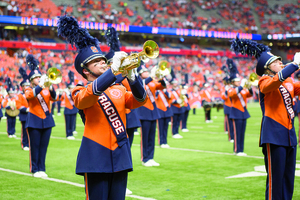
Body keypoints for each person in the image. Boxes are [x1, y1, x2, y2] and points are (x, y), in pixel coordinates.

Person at [58, 16, 147, 200]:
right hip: (95, 154)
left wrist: (132, 76)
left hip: (120, 151)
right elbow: (89, 96)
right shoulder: (79, 90)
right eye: (95, 61)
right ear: (85, 70)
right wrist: (113, 72)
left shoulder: (119, 88)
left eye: (102, 59)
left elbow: (141, 100)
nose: (102, 62)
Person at [231, 36, 300, 199]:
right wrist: (294, 65)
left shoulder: (288, 80)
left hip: (290, 133)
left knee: (288, 178)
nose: (281, 63)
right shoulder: (264, 80)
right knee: (275, 178)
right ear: (267, 67)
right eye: (277, 62)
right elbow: (274, 83)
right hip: (274, 134)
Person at [24, 54, 58, 178]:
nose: (39, 78)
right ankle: (35, 169)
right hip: (34, 120)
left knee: (44, 147)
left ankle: (42, 168)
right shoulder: (28, 88)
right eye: (36, 77)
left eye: (40, 77)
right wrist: (40, 85)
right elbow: (31, 95)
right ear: (32, 80)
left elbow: (55, 98)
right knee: (35, 146)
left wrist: (52, 86)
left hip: (47, 121)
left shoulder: (47, 88)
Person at [136, 64, 166, 167]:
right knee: (145, 137)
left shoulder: (152, 81)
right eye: (144, 72)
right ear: (140, 73)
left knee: (152, 137)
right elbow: (142, 86)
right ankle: (145, 158)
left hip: (153, 111)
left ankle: (151, 157)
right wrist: (151, 76)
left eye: (147, 71)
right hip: (144, 111)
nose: (147, 73)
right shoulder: (139, 82)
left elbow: (162, 86)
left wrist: (161, 78)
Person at [227, 58, 252, 156]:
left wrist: (249, 88)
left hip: (243, 112)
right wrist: (241, 86)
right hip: (236, 112)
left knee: (242, 133)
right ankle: (237, 150)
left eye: (239, 81)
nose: (238, 82)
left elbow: (249, 95)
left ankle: (241, 150)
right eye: (237, 81)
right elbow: (232, 94)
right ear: (233, 82)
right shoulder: (231, 89)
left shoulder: (242, 89)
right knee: (237, 133)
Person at [60, 71, 78, 140]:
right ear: (69, 88)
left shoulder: (74, 94)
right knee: (68, 123)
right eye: (70, 88)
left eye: (72, 88)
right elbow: (61, 98)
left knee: (72, 122)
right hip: (67, 109)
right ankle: (68, 134)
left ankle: (71, 133)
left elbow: (73, 98)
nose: (71, 89)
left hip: (73, 109)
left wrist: (69, 93)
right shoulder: (65, 93)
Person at [17, 67, 30, 150]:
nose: (27, 87)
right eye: (25, 86)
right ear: (22, 87)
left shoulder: (31, 93)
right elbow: (18, 105)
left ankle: (29, 144)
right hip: (24, 115)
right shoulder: (20, 95)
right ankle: (24, 144)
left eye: (28, 85)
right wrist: (26, 109)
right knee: (24, 132)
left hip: (31, 115)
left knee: (31, 131)